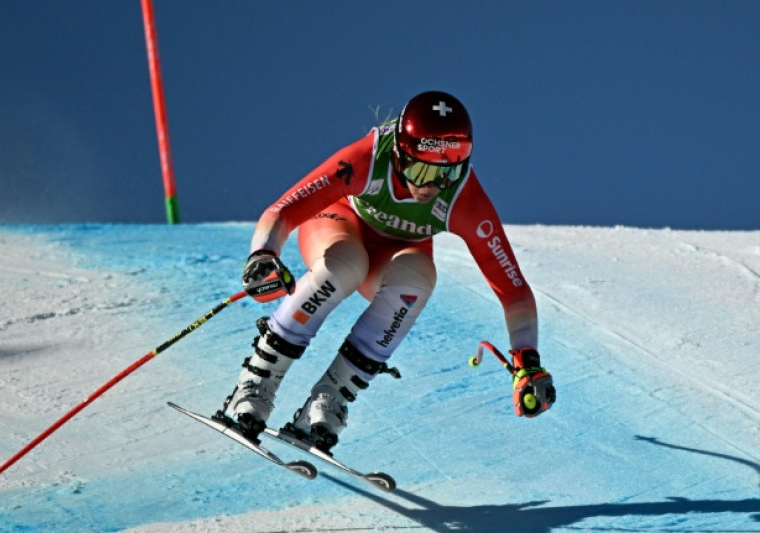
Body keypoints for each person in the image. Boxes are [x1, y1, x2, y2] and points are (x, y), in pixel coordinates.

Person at [217, 90, 556, 451]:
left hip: (393, 254)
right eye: (422, 170)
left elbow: (513, 289)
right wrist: (263, 253)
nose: (432, 186)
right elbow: (284, 209)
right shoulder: (369, 158)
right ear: (398, 154)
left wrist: (528, 361)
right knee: (346, 264)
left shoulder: (462, 196)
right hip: (338, 224)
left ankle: (331, 398)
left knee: (417, 281)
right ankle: (257, 381)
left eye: (447, 174)